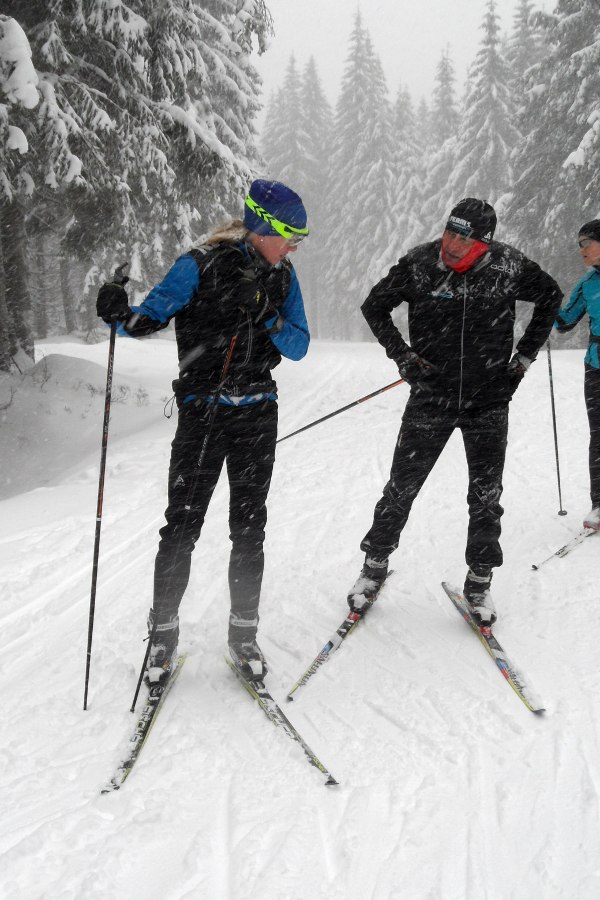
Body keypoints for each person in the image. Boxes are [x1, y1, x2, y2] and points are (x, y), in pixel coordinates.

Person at [96, 179, 310, 682]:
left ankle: (243, 635)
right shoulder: (199, 264)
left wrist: (268, 316)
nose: (294, 245)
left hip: (258, 414)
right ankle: (162, 637)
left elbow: (299, 346)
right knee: (182, 529)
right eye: (289, 234)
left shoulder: (284, 277)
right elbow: (145, 320)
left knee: (249, 530)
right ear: (262, 226)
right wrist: (114, 310)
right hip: (204, 416)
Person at [347, 198, 563, 626]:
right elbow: (374, 306)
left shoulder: (508, 267)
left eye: (465, 237)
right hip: (432, 396)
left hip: (488, 400)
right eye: (450, 231)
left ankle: (480, 581)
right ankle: (373, 567)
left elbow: (552, 297)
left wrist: (521, 361)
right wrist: (404, 358)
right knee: (401, 487)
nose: (453, 243)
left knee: (486, 497)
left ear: (485, 243)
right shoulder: (421, 263)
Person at [554, 219, 600, 531]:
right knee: (599, 437)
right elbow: (564, 321)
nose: (580, 249)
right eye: (579, 244)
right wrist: (547, 304)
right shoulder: (588, 284)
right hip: (596, 367)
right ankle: (599, 505)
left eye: (586, 242)